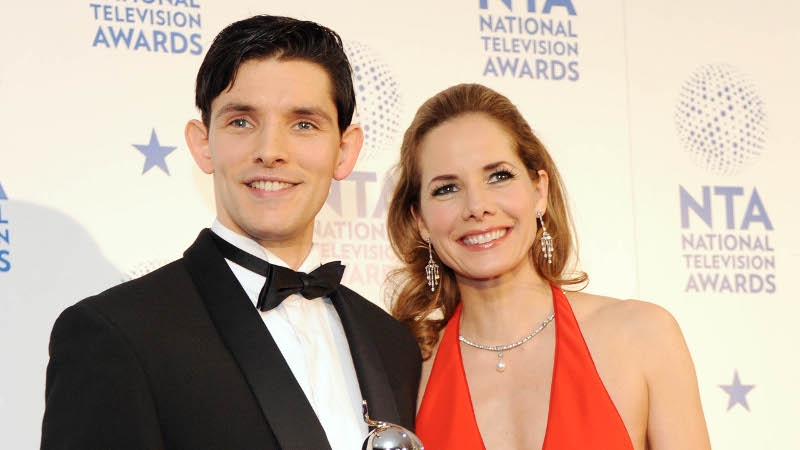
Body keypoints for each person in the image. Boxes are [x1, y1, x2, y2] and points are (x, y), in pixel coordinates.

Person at [41, 15, 420, 450]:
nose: (270, 151)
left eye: (303, 124)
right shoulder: (117, 335)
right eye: (242, 121)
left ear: (344, 150)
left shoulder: (393, 345)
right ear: (203, 144)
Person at [387, 84, 710, 450]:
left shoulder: (641, 335)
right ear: (421, 220)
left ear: (539, 191)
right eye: (446, 188)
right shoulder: (405, 372)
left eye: (499, 176)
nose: (476, 206)